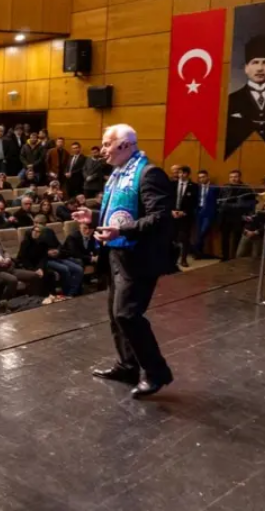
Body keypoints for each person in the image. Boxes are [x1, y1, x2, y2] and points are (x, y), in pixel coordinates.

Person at [72, 124, 174, 398]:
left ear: (126, 145)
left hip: (138, 257)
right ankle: (128, 366)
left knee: (127, 315)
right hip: (116, 254)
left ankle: (156, 372)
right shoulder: (118, 174)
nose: (102, 150)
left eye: (107, 144)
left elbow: (160, 218)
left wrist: (122, 231)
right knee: (115, 317)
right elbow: (118, 215)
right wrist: (93, 218)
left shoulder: (148, 174)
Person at [226, 35, 265, 161]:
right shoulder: (230, 101)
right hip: (239, 158)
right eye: (255, 62)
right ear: (246, 68)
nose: (260, 68)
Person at [0, 220, 42, 298]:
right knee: (13, 280)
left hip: (8, 267)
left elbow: (5, 251)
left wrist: (8, 258)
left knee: (34, 275)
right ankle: (6, 301)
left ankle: (33, 298)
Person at [171, 166, 197, 267]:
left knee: (185, 238)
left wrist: (184, 212)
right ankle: (171, 259)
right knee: (172, 237)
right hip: (173, 214)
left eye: (183, 173)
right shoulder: (172, 184)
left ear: (188, 174)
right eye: (180, 173)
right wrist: (172, 210)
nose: (181, 175)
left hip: (186, 216)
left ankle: (183, 259)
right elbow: (168, 198)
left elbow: (194, 202)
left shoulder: (194, 186)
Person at [193, 170, 219, 259]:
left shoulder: (214, 188)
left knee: (202, 232)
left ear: (207, 177)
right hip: (199, 211)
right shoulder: (197, 187)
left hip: (208, 212)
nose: (201, 179)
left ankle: (196, 250)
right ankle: (198, 253)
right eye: (199, 177)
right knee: (198, 232)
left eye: (203, 177)